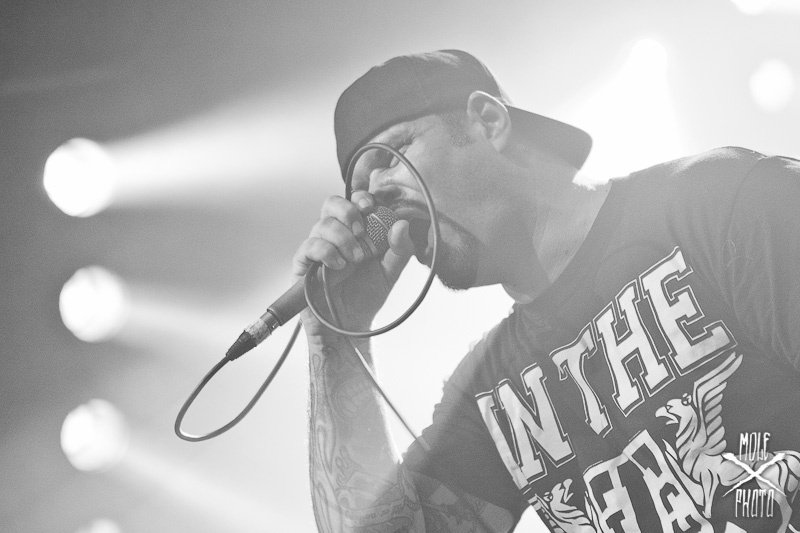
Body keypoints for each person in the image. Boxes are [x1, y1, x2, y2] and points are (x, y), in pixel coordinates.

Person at [293, 49, 800, 532]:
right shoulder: (488, 390)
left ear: (488, 121)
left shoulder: (720, 201)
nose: (373, 197)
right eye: (359, 185)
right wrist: (335, 338)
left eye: (392, 154)